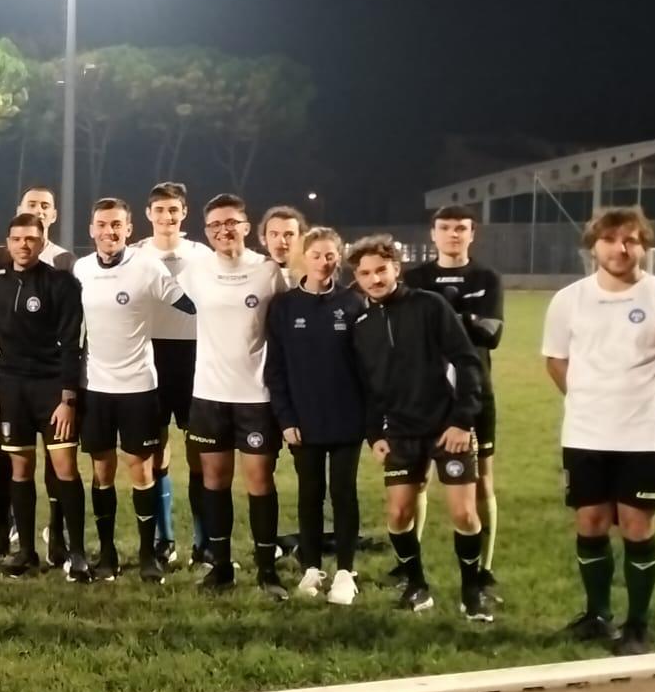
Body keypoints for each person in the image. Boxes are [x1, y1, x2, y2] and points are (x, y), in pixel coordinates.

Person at [543, 207, 655, 656]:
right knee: (590, 522)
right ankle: (596, 615)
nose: (621, 248)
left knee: (636, 526)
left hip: (644, 437)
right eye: (611, 240)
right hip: (585, 433)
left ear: (644, 246)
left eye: (631, 240)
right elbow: (555, 360)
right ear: (593, 246)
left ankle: (637, 624)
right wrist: (586, 398)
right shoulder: (568, 300)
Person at [347, 235, 489, 617]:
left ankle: (473, 591)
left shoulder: (430, 306)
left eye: (381, 269)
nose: (375, 279)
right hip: (401, 433)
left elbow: (467, 362)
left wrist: (462, 421)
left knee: (464, 514)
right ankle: (416, 585)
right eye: (365, 273)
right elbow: (368, 386)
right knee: (397, 515)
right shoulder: (360, 324)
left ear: (397, 267)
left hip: (447, 428)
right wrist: (375, 434)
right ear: (357, 279)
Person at [72, 198, 196, 581]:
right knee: (101, 471)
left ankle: (147, 555)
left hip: (139, 387)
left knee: (141, 471)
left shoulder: (147, 267)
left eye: (116, 225)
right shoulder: (81, 269)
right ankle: (107, 554)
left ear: (129, 230)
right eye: (101, 225)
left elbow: (192, 306)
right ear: (91, 229)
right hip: (95, 387)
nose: (109, 232)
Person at [176, 194, 290, 597]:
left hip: (255, 395)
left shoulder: (267, 271)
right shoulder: (195, 270)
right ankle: (221, 566)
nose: (224, 230)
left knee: (259, 480)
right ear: (207, 232)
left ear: (245, 226)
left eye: (231, 223)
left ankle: (266, 571)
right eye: (215, 226)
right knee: (214, 480)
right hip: (208, 393)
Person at [0, 212, 86, 578]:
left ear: (42, 242)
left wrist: (68, 397)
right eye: (17, 239)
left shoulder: (61, 284)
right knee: (20, 470)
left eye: (31, 239)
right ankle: (24, 550)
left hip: (52, 388)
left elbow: (73, 344)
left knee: (65, 468)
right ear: (7, 242)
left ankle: (76, 551)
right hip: (11, 389)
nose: (24, 245)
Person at [406, 206, 506, 599]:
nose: (453, 234)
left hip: (475, 394)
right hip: (422, 396)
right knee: (416, 482)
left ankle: (483, 568)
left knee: (481, 482)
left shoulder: (487, 279)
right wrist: (466, 319)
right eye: (445, 228)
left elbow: (492, 334)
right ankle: (408, 566)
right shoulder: (415, 279)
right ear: (432, 233)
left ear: (472, 233)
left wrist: (444, 317)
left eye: (460, 228)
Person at [265, 227, 366, 606]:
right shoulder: (285, 306)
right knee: (310, 494)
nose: (325, 262)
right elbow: (275, 368)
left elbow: (365, 366)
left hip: (346, 418)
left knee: (343, 493)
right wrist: (285, 417)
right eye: (317, 254)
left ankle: (344, 571)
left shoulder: (354, 303)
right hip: (302, 420)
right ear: (302, 257)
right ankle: (311, 565)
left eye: (331, 255)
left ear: (339, 258)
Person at [140, 182, 214, 569]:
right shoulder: (135, 253)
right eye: (160, 210)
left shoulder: (202, 254)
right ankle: (163, 538)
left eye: (174, 210)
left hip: (194, 357)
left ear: (184, 214)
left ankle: (204, 542)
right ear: (148, 214)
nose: (167, 217)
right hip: (149, 355)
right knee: (155, 450)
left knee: (199, 450)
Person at [258, 206, 306, 286]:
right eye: (274, 234)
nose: (282, 241)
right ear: (263, 239)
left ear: (301, 239)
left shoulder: (314, 274)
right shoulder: (253, 273)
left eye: (289, 235)